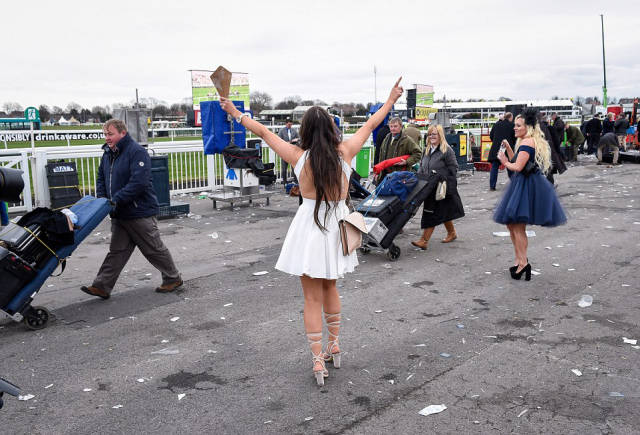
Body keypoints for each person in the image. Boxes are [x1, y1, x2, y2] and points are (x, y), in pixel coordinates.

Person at [220, 78, 404, 386]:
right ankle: (335, 345)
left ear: (304, 130)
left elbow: (264, 132)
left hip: (309, 225)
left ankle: (318, 362)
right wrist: (390, 100)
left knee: (311, 299)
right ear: (332, 128)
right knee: (331, 289)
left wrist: (236, 114)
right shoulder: (345, 152)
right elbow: (372, 124)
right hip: (336, 225)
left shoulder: (297, 155)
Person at [81, 119, 183, 299]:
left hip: (139, 211)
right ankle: (102, 286)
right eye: (105, 134)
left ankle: (173, 278)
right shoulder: (108, 153)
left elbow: (139, 183)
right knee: (117, 251)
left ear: (123, 133)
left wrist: (115, 200)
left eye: (110, 134)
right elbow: (101, 178)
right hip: (119, 212)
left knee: (153, 249)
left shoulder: (137, 152)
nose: (107, 138)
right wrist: (104, 199)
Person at [494, 109, 567, 281]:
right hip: (526, 184)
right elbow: (519, 161)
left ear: (528, 127)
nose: (515, 128)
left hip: (526, 186)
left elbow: (516, 167)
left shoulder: (527, 142)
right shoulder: (526, 141)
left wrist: (504, 161)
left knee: (517, 227)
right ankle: (520, 260)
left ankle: (522, 263)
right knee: (513, 226)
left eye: (518, 126)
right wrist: (510, 150)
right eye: (515, 125)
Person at [411, 124, 465, 250]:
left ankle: (424, 240)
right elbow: (422, 166)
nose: (431, 137)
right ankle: (452, 233)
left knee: (432, 213)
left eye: (434, 134)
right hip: (428, 187)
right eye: (429, 134)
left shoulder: (447, 151)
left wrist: (440, 175)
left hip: (441, 187)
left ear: (440, 135)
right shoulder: (427, 150)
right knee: (442, 212)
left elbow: (454, 168)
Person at [375, 117, 422, 184]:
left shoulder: (407, 140)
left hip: (400, 177)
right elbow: (381, 156)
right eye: (391, 126)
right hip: (385, 176)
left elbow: (418, 153)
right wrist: (378, 172)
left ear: (401, 127)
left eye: (395, 126)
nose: (393, 128)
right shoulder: (386, 138)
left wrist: (407, 161)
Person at [488, 112, 516, 190]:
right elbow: (515, 138)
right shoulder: (511, 125)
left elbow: (491, 136)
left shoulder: (496, 124)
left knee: (494, 167)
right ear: (510, 118)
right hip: (507, 148)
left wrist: (496, 142)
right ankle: (514, 184)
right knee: (509, 166)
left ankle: (492, 186)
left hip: (496, 148)